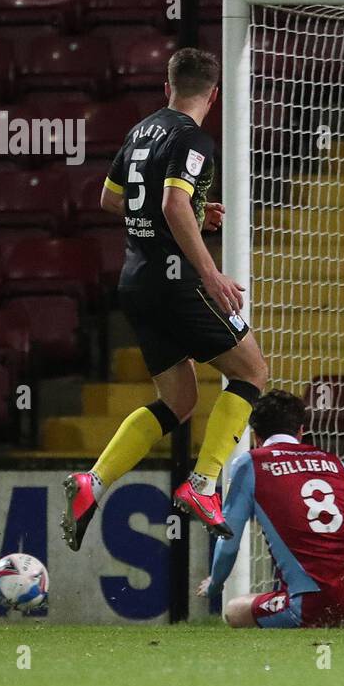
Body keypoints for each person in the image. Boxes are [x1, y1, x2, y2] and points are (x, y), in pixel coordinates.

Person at [63, 48, 269, 551]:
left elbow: (112, 199)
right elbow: (173, 202)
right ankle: (202, 486)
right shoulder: (194, 138)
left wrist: (194, 213)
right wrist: (212, 273)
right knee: (252, 373)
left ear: (167, 87)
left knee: (179, 401)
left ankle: (94, 481)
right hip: (176, 281)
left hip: (135, 282)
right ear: (213, 95)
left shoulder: (141, 131)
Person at [197, 390, 344, 628]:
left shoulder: (250, 463)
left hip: (316, 601)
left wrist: (215, 583)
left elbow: (228, 538)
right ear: (300, 431)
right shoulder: (333, 461)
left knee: (234, 610)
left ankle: (339, 611)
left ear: (256, 436)